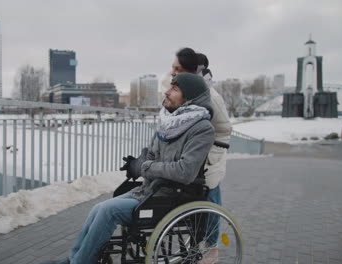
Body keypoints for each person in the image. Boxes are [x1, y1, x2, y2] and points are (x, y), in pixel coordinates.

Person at [42, 72, 215, 264]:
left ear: (189, 97)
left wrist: (146, 167)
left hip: (173, 197)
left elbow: (185, 171)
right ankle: (75, 258)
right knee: (98, 208)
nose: (166, 92)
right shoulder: (169, 123)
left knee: (109, 211)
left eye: (174, 89)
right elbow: (150, 155)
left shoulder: (202, 128)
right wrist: (137, 164)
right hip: (150, 191)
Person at [171, 48, 232, 263]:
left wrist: (205, 140)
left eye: (178, 69)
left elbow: (224, 127)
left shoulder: (210, 96)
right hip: (196, 150)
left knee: (210, 197)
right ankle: (196, 245)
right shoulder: (190, 89)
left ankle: (212, 248)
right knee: (195, 197)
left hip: (212, 151)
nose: (173, 74)